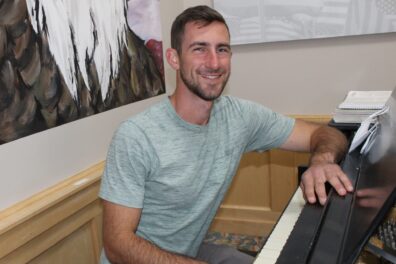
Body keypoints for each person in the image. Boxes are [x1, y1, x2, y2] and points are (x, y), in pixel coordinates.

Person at [99, 5, 353, 264]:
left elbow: (325, 134)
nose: (214, 62)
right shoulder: (135, 137)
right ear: (174, 58)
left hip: (189, 252)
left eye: (222, 49)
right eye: (199, 49)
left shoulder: (239, 117)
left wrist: (322, 161)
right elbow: (118, 246)